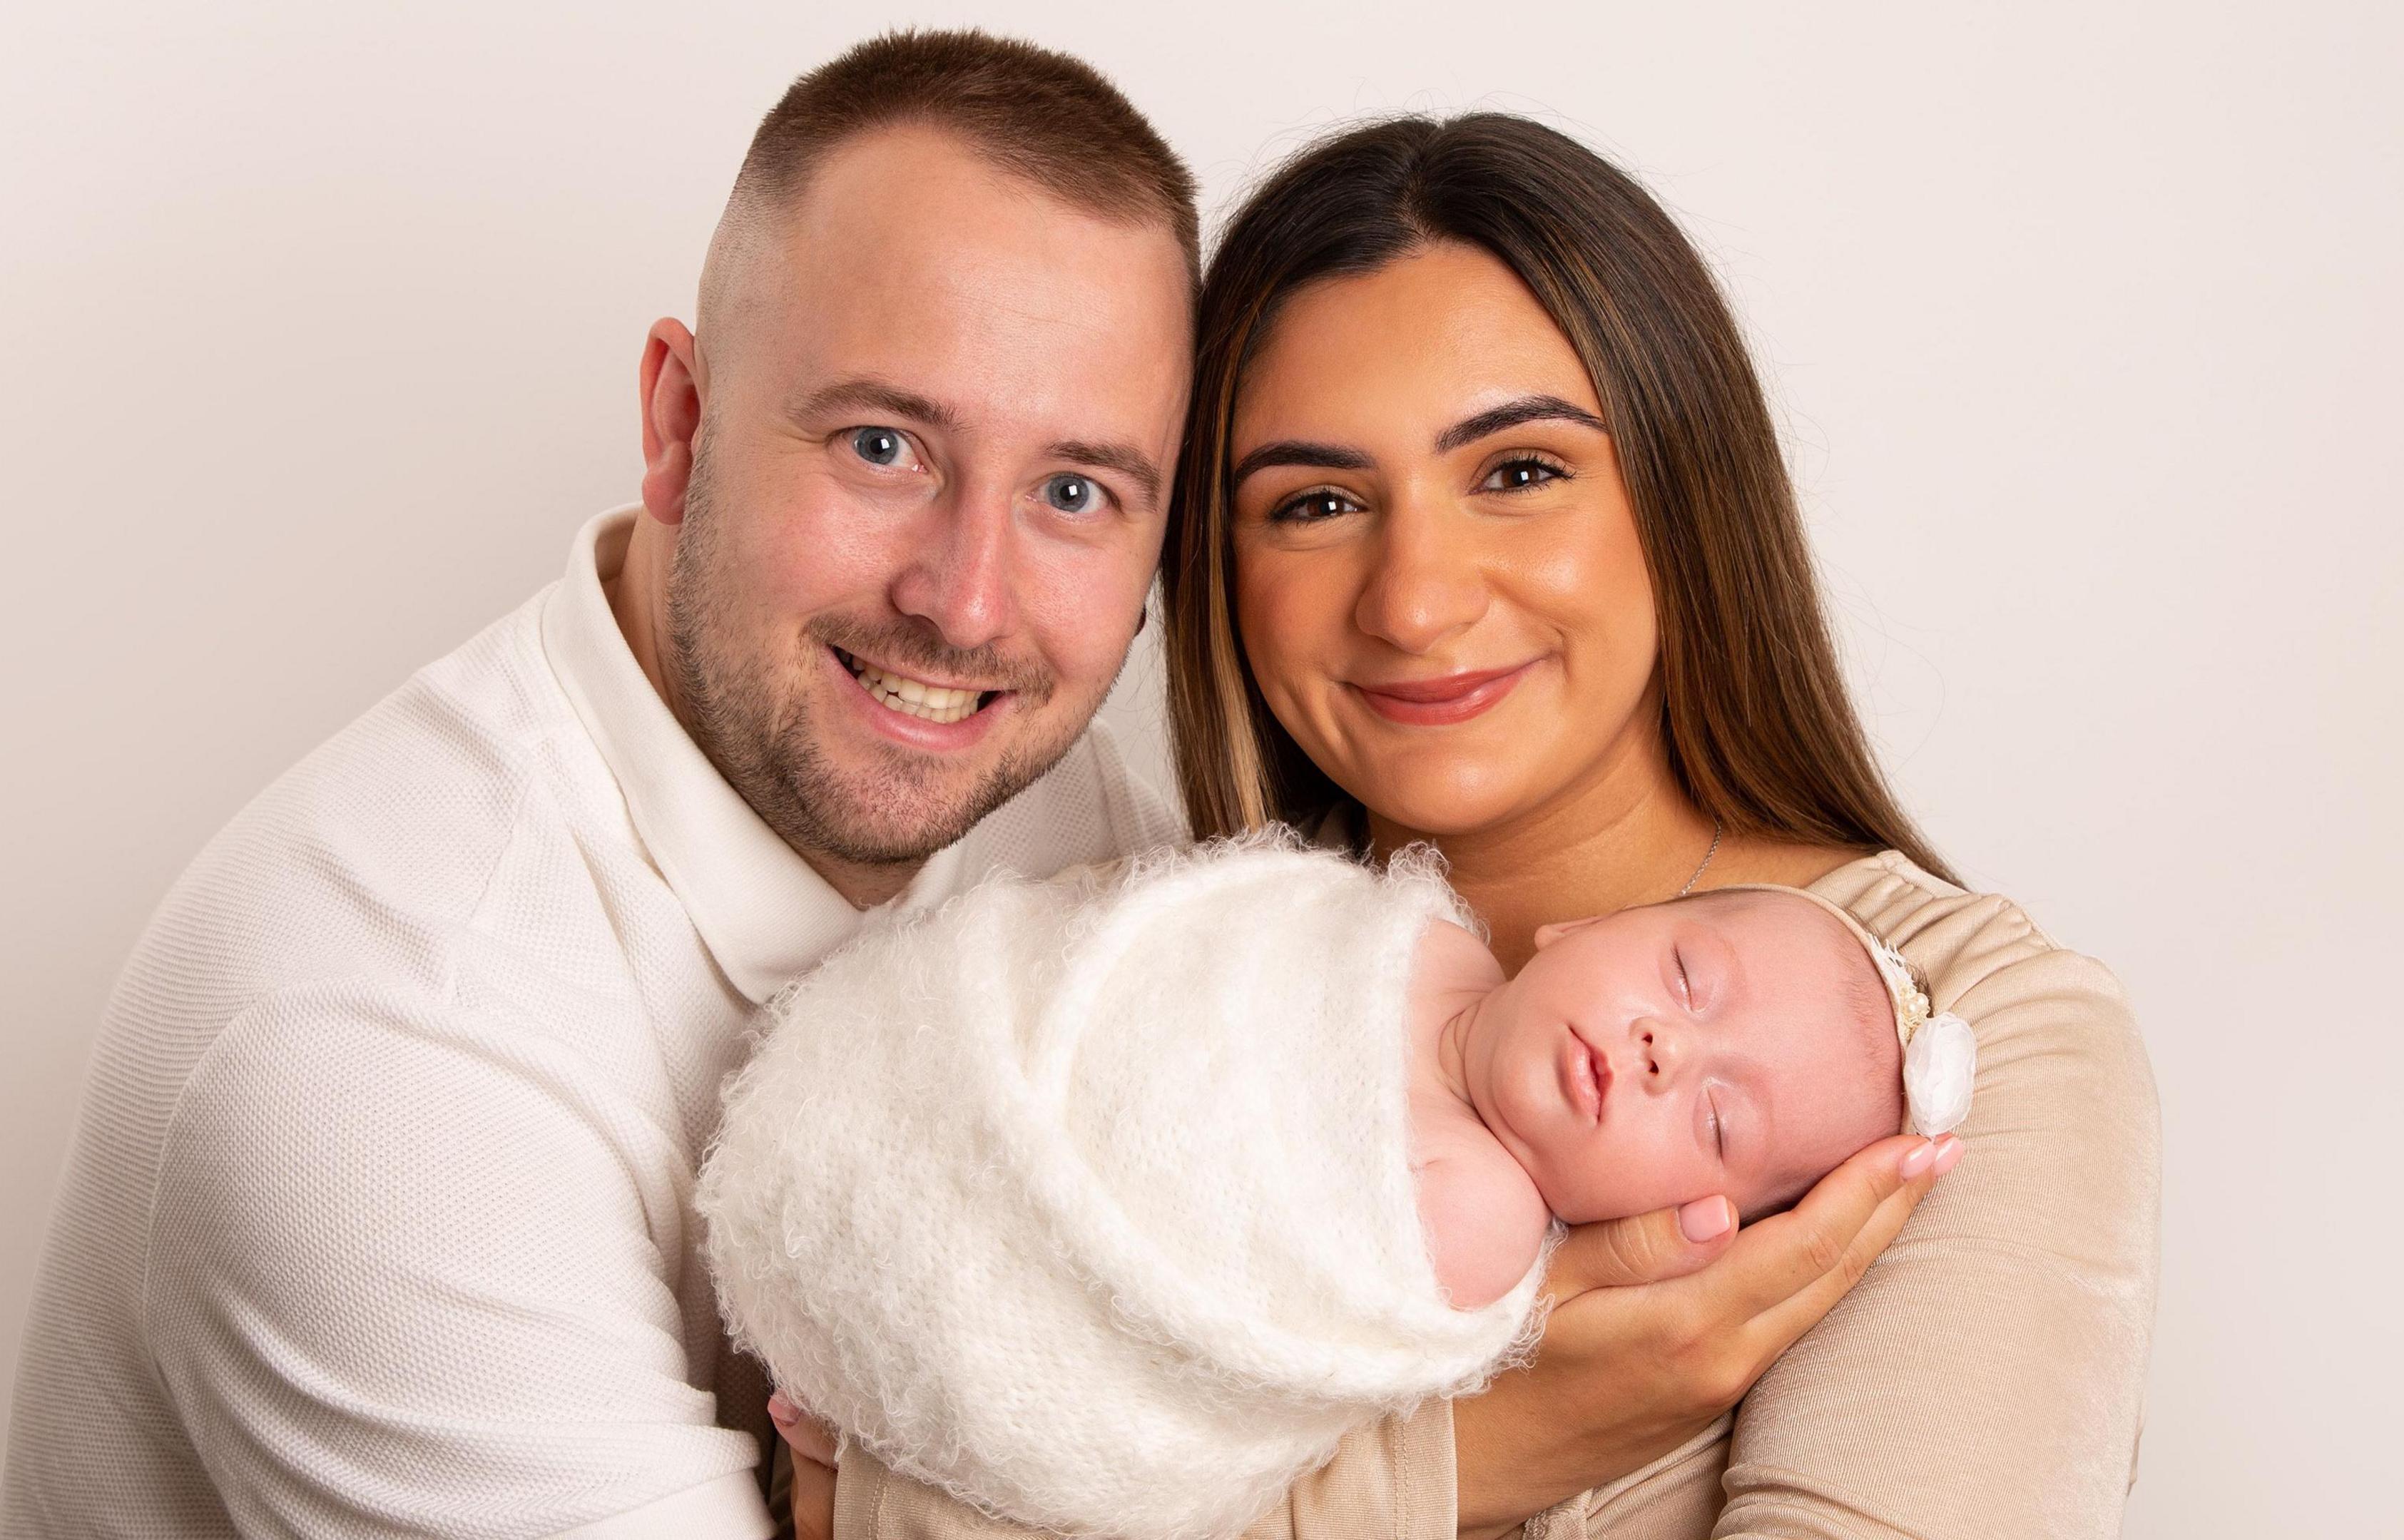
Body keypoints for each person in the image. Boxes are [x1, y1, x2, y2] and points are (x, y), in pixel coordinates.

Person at [815, 114, 2158, 1539]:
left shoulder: (1962, 1045)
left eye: (1518, 472)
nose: (1415, 599)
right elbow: (858, 1407)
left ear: (1689, 492)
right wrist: (1509, 1444)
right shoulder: (1139, 984)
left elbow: (901, 1507)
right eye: (1317, 502)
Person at [0, 31, 1199, 1539]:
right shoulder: (373, 1034)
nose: (964, 606)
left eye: (1075, 493)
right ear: (679, 425)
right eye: (884, 446)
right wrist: (1512, 1446)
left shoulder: (1071, 831)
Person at [698, 837, 1974, 1540]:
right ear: (1583, 930)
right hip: (920, 1107)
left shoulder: (1478, 1223)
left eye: (1712, 1116)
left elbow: (1233, 1390)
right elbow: (1147, 959)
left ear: (1684, 1224)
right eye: (1687, 980)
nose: (1661, 1049)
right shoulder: (1402, 924)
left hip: (1014, 1292)